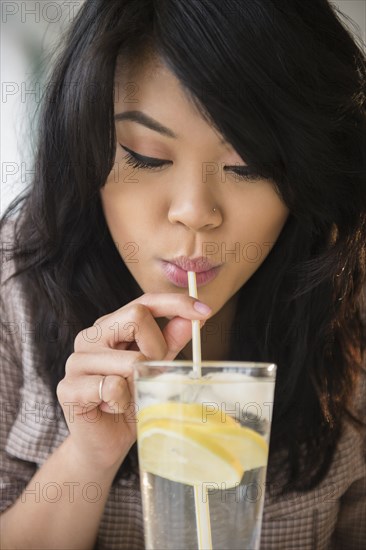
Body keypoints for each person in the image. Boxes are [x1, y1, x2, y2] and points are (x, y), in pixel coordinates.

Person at [1, 0, 365, 548]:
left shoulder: (349, 296)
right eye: (145, 156)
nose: (194, 211)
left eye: (249, 164)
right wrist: (88, 457)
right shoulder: (15, 284)